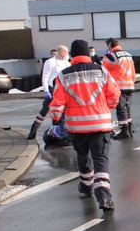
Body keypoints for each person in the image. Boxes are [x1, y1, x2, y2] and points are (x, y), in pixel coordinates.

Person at [49, 39, 120, 211]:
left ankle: (86, 187)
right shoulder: (101, 71)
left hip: (77, 127)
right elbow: (114, 94)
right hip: (100, 124)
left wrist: (56, 121)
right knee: (100, 159)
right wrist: (107, 106)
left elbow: (57, 102)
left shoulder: (63, 75)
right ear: (88, 54)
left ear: (72, 55)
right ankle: (104, 196)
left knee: (83, 157)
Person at [27, 45, 70, 139]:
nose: (68, 54)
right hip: (52, 89)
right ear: (61, 52)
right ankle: (33, 130)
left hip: (63, 90)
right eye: (66, 52)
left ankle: (58, 132)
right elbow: (45, 77)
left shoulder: (66, 63)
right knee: (45, 110)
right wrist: (46, 91)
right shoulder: (50, 62)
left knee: (60, 112)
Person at [102, 38, 136, 139]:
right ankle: (129, 128)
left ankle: (124, 130)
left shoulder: (110, 56)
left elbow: (103, 69)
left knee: (120, 108)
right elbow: (133, 70)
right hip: (129, 84)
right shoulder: (128, 55)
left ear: (109, 45)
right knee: (127, 107)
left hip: (119, 86)